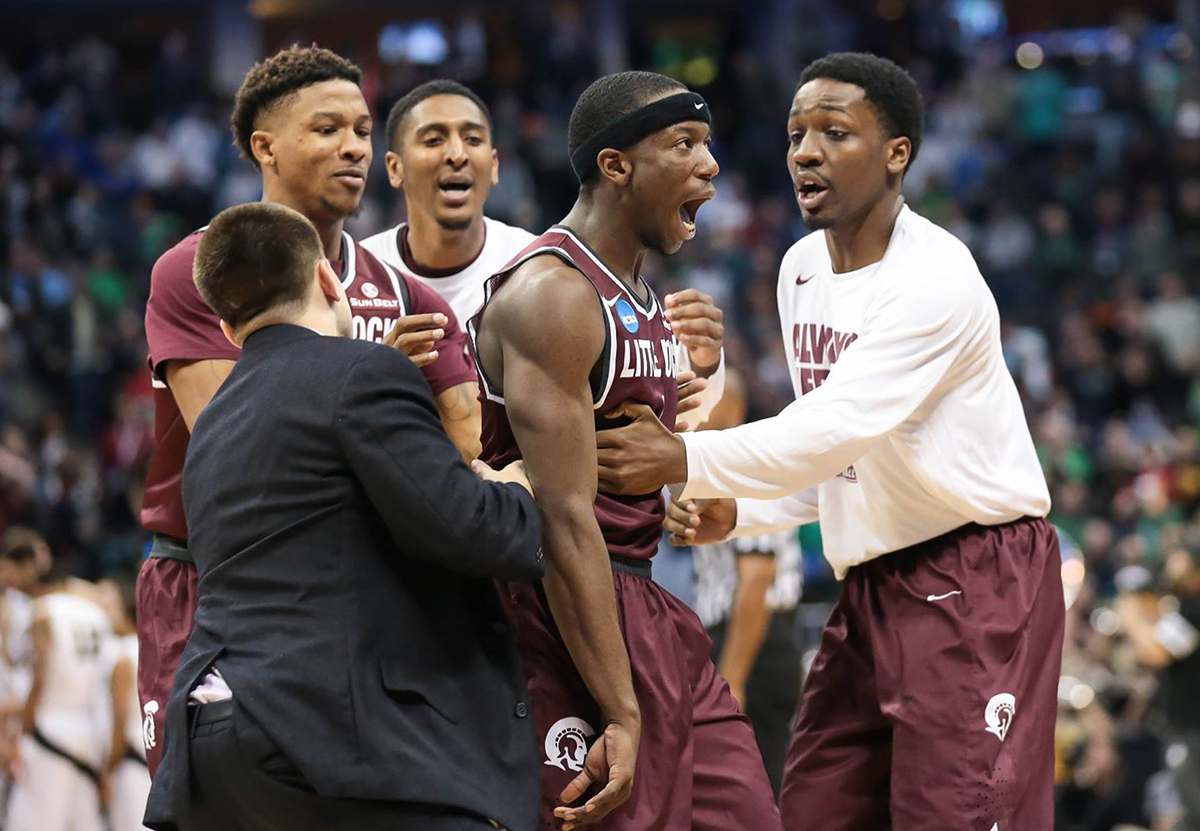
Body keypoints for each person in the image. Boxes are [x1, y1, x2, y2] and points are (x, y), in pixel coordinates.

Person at [594, 53, 1063, 830]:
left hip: (977, 576)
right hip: (873, 584)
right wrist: (740, 512)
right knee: (813, 808)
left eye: (835, 132)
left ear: (896, 153)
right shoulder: (801, 269)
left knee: (956, 814)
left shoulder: (936, 276)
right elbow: (847, 459)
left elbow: (831, 428)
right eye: (795, 134)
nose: (805, 152)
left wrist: (684, 458)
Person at [143, 202, 545, 831]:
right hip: (330, 736)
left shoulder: (214, 422)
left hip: (213, 747)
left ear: (226, 329)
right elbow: (477, 531)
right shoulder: (361, 371)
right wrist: (516, 488)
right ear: (329, 279)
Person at [135, 45, 479, 775]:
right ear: (266, 147)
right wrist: (371, 375)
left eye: (361, 129)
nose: (354, 146)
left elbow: (464, 446)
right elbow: (249, 452)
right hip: (215, 584)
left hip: (362, 586)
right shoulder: (196, 274)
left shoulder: (407, 289)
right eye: (327, 129)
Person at [469, 70, 780, 831]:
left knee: (748, 815)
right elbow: (567, 519)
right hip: (565, 609)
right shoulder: (555, 294)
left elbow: (670, 490)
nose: (709, 166)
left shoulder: (643, 299)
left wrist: (698, 474)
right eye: (683, 145)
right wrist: (620, 706)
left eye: (708, 146)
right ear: (616, 166)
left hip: (648, 602)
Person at [361, 79, 729, 453]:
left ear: (494, 166)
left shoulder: (548, 274)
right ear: (394, 168)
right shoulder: (353, 276)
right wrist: (381, 384)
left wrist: (705, 362)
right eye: (433, 140)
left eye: (473, 140)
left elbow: (676, 415)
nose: (456, 155)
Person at [685, 370, 802, 797]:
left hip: (757, 642)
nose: (693, 411)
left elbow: (756, 580)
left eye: (704, 401)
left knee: (757, 790)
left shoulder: (750, 465)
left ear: (732, 408)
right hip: (731, 636)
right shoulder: (711, 467)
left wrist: (733, 678)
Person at [3, 538, 113, 831]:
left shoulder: (41, 613)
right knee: (83, 823)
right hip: (88, 730)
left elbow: (39, 678)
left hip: (47, 728)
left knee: (32, 823)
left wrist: (19, 734)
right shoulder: (96, 614)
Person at [1115, 547, 1200, 830]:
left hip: (1192, 727)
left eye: (1178, 560)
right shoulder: (1182, 605)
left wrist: (1130, 616)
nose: (1171, 566)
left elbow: (1156, 653)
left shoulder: (1195, 606)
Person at [99, 575, 150, 831]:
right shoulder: (156, 650)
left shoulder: (122, 658)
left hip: (132, 767)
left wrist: (107, 772)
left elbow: (120, 724)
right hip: (157, 768)